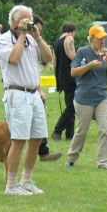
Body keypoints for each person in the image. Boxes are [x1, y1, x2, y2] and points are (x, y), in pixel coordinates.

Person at [0, 5, 54, 195]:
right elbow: (13, 59)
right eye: (25, 20)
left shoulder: (32, 39)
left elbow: (48, 57)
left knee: (36, 138)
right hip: (16, 93)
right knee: (19, 140)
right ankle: (11, 185)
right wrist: (21, 35)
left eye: (30, 20)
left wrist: (37, 36)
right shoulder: (5, 39)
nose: (29, 23)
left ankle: (27, 180)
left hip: (33, 93)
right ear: (14, 21)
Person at [66, 25, 107, 170]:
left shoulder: (105, 53)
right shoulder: (83, 52)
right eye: (100, 38)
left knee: (105, 130)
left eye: (104, 38)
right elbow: (74, 72)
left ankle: (103, 162)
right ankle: (71, 158)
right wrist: (90, 65)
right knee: (82, 131)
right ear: (92, 38)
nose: (103, 41)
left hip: (102, 97)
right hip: (84, 98)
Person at [33, 14, 62, 162]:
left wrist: (39, 89)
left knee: (39, 124)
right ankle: (3, 152)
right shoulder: (12, 40)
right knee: (12, 127)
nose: (37, 32)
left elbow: (47, 58)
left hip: (34, 90)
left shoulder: (35, 42)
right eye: (36, 29)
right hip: (18, 92)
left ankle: (43, 153)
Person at [52, 22, 77, 140]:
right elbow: (72, 56)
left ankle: (70, 133)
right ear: (72, 30)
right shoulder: (69, 38)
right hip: (70, 76)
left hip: (61, 77)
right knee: (73, 106)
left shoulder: (57, 42)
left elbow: (54, 62)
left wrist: (57, 79)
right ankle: (57, 130)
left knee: (70, 105)